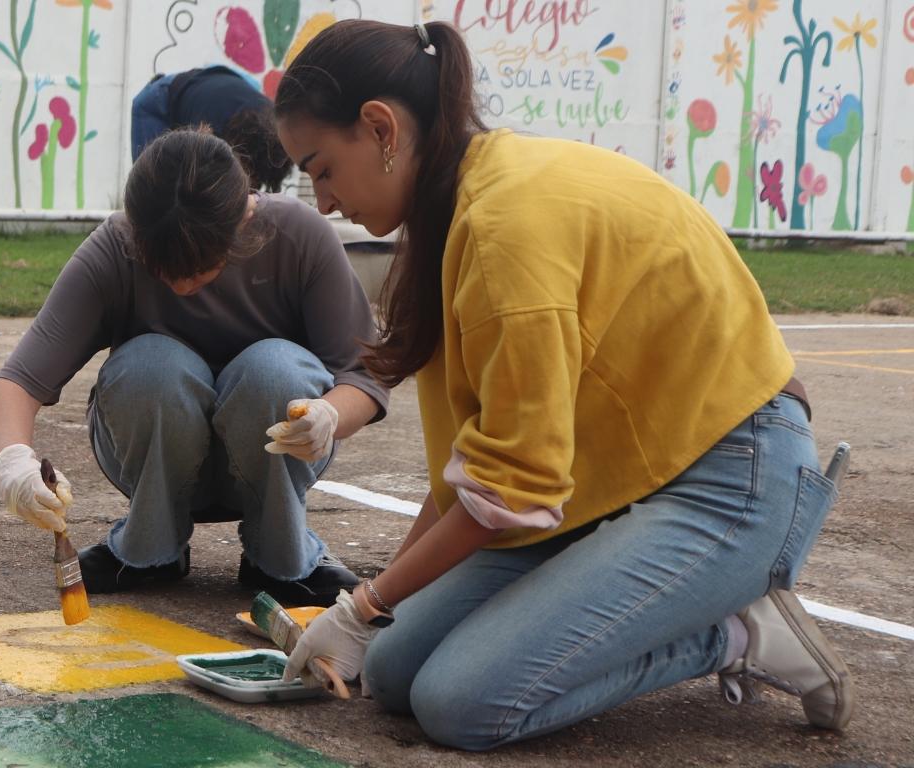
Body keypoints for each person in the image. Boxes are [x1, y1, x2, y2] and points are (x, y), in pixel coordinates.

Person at [270, 19, 850, 748]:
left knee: (463, 703)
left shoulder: (504, 226)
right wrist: (374, 613)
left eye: (321, 168)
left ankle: (735, 631)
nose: (322, 201)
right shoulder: (458, 210)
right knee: (392, 670)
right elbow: (480, 472)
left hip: (736, 478)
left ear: (380, 127)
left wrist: (359, 605)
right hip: (615, 482)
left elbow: (512, 492)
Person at [0, 127, 388, 605]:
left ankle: (282, 556)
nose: (179, 284)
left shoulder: (298, 237)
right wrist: (13, 464)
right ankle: (148, 548)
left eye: (198, 268)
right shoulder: (115, 246)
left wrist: (330, 415)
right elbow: (18, 382)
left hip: (278, 455)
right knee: (152, 364)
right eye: (162, 269)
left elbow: (364, 375)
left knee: (274, 369)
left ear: (242, 223)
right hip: (152, 450)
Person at [130, 65, 291, 191]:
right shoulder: (211, 129)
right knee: (152, 187)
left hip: (203, 86)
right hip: (157, 103)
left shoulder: (273, 122)